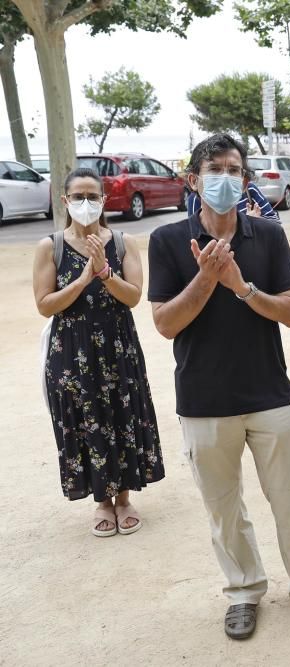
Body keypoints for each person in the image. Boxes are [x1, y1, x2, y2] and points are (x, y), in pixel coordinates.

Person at [147, 134, 290, 640]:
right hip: (204, 401)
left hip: (269, 393)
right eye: (215, 168)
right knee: (223, 508)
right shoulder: (167, 240)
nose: (225, 178)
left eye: (235, 169)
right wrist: (207, 278)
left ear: (246, 181)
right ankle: (244, 591)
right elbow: (165, 323)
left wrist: (242, 287)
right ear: (193, 179)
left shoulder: (268, 237)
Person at [32, 168, 164, 537]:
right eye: (78, 197)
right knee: (85, 416)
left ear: (104, 200)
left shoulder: (122, 242)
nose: (85, 204)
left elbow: (134, 296)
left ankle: (123, 499)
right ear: (65, 200)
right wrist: (82, 279)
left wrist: (105, 272)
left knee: (123, 413)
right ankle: (102, 502)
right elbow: (45, 305)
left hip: (118, 345)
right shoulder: (51, 246)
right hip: (71, 348)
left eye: (93, 196)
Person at [187, 180, 279, 222]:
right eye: (215, 169)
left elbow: (275, 223)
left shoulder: (249, 190)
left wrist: (256, 222)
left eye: (233, 170)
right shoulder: (196, 198)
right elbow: (194, 236)